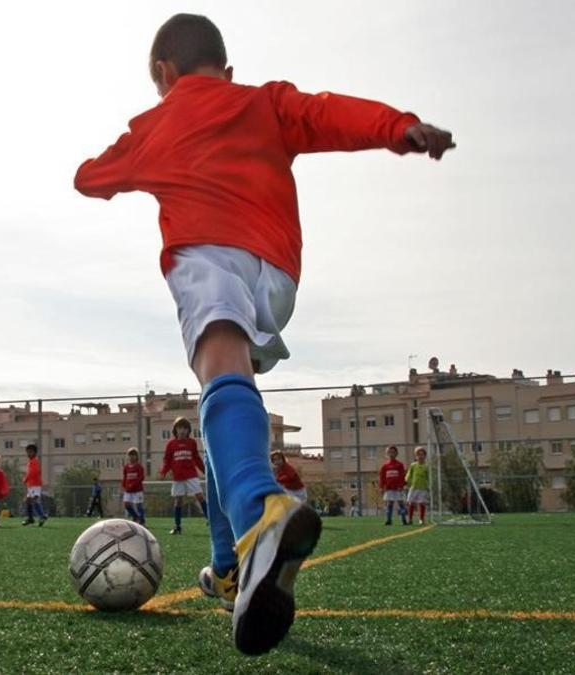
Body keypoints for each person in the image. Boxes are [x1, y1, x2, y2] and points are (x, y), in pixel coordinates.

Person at [74, 13, 453, 654]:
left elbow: (90, 179)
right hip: (277, 276)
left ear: (163, 75)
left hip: (208, 256)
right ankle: (229, 570)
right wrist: (398, 128)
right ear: (226, 69)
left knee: (219, 371)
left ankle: (261, 512)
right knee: (222, 399)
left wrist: (115, 163)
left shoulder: (155, 124)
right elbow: (332, 113)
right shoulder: (266, 102)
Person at [159, 417, 208, 535]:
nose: (182, 430)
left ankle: (209, 519)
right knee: (178, 500)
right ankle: (177, 526)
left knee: (200, 496)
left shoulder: (192, 442)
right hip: (178, 477)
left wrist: (205, 470)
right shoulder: (171, 444)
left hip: (191, 475)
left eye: (185, 428)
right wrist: (163, 472)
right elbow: (167, 460)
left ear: (188, 430)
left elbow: (196, 458)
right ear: (175, 430)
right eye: (179, 428)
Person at [379, 445, 407, 526]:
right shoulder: (385, 466)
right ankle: (388, 520)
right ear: (387, 454)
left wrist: (401, 486)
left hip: (398, 489)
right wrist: (381, 487)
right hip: (389, 489)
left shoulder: (399, 465)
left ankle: (403, 519)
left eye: (393, 452)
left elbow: (402, 476)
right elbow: (382, 477)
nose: (391, 454)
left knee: (401, 504)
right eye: (389, 452)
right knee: (389, 504)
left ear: (396, 453)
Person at [21, 444, 47, 526]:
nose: (29, 454)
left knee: (33, 500)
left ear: (35, 453)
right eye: (28, 452)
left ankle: (41, 515)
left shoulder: (34, 462)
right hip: (31, 485)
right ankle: (31, 518)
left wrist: (26, 478)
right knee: (29, 500)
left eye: (31, 452)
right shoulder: (30, 462)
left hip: (35, 484)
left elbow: (33, 472)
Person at [405, 446, 430, 525]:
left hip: (423, 487)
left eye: (422, 454)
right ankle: (410, 519)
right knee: (411, 502)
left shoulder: (426, 466)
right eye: (418, 454)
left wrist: (429, 485)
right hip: (413, 487)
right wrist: (407, 481)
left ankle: (421, 519)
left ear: (425, 456)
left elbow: (428, 476)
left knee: (422, 503)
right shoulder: (413, 465)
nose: (420, 456)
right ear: (416, 456)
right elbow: (409, 474)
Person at [121, 447, 146, 525]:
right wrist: (124, 485)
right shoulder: (126, 467)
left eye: (133, 455)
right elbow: (125, 477)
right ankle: (135, 516)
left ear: (136, 456)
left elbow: (141, 477)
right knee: (126, 504)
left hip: (137, 490)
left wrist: (134, 484)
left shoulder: (139, 467)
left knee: (139, 505)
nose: (132, 457)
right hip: (128, 490)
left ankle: (142, 520)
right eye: (130, 455)